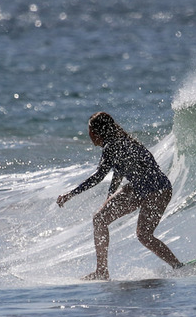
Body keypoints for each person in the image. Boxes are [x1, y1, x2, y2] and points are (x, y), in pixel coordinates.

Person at [57, 112, 184, 280]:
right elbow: (119, 172)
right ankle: (101, 271)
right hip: (139, 188)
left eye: (89, 131)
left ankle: (178, 266)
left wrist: (71, 194)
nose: (89, 135)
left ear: (96, 132)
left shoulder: (113, 146)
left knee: (144, 235)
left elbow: (98, 176)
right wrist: (110, 197)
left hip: (157, 189)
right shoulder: (120, 142)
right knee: (100, 218)